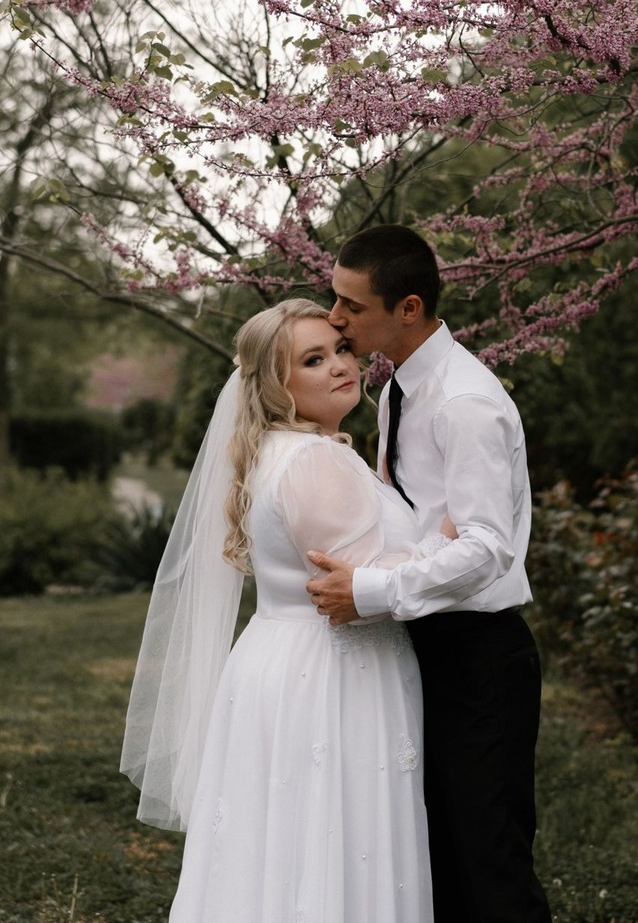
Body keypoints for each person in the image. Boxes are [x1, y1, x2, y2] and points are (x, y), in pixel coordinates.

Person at [121, 298, 449, 923]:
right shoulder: (317, 461)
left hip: (276, 659)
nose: (339, 367)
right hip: (337, 669)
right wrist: (454, 531)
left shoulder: (272, 452)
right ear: (278, 384)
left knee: (279, 841)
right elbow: (361, 590)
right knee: (338, 833)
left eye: (342, 350)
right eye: (313, 360)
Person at [308, 225, 552, 923]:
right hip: (425, 651)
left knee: (490, 866)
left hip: (480, 659)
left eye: (351, 305)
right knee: (436, 859)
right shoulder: (397, 392)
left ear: (407, 308)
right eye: (335, 298)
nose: (335, 317)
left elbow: (486, 549)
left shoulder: (463, 403)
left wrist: (371, 591)